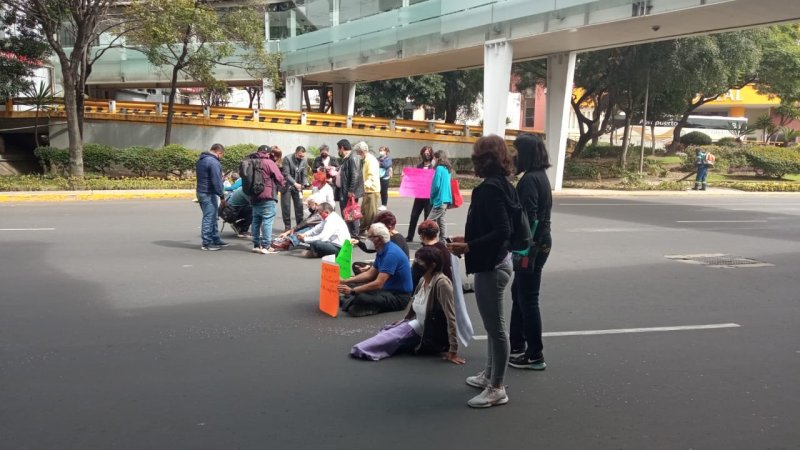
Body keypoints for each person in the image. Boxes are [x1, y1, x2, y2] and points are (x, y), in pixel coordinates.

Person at [447, 135, 517, 409]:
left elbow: (502, 231)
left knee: (496, 328)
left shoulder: (489, 189)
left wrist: (468, 246)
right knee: (492, 326)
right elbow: (496, 228)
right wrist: (467, 238)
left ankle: (497, 386)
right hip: (498, 261)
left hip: (492, 264)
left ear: (482, 159)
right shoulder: (504, 185)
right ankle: (490, 374)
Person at [350, 246, 464, 364]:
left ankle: (363, 350)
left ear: (432, 265)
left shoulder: (442, 284)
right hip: (416, 324)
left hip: (427, 332)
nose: (416, 264)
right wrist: (404, 320)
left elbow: (451, 317)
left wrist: (453, 350)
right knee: (386, 331)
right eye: (415, 260)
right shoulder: (423, 279)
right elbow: (415, 303)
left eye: (420, 262)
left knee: (369, 346)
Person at [508, 134, 553, 371]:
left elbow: (528, 219)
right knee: (520, 292)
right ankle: (517, 345)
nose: (513, 156)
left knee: (527, 298)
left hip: (530, 247)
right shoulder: (540, 177)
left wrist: (517, 246)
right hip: (539, 243)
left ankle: (534, 354)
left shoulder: (528, 181)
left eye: (515, 151)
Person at [338, 223, 413, 317]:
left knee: (360, 296)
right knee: (353, 286)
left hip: (399, 296)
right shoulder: (382, 249)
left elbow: (378, 283)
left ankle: (354, 302)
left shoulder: (391, 254)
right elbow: (370, 274)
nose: (367, 239)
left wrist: (353, 291)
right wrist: (347, 280)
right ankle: (353, 302)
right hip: (386, 289)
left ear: (379, 239)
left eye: (369, 236)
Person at [248, 145, 285, 254]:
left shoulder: (251, 161)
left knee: (256, 220)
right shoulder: (269, 162)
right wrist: (282, 185)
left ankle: (256, 244)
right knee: (267, 221)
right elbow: (279, 178)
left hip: (254, 196)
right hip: (267, 195)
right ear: (268, 153)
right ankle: (266, 246)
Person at [351, 210, 409, 275]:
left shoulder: (396, 241)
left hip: (393, 272)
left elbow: (388, 263)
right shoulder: (384, 238)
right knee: (356, 266)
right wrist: (358, 242)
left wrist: (370, 267)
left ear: (388, 227)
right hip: (383, 266)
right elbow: (370, 249)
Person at [195, 143, 227, 251]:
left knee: (213, 216)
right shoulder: (213, 162)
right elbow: (216, 181)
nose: (221, 158)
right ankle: (207, 243)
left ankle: (215, 239)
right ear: (219, 153)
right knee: (209, 217)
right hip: (208, 192)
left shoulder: (201, 159)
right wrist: (222, 196)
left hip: (201, 191)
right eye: (222, 155)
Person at [411, 220, 453, 288]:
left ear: (422, 235)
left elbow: (415, 276)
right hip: (447, 285)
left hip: (431, 289)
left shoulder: (422, 253)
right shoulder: (444, 248)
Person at [334, 139, 363, 237]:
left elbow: (355, 175)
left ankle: (354, 235)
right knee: (347, 214)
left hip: (349, 192)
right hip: (344, 190)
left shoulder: (353, 157)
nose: (338, 151)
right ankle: (350, 234)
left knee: (351, 214)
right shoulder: (347, 158)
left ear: (342, 148)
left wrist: (351, 190)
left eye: (338, 149)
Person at [405, 145, 434, 242]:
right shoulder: (419, 166)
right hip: (419, 195)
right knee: (414, 216)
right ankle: (410, 236)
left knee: (427, 218)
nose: (427, 155)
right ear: (422, 154)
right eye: (425, 153)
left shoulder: (434, 167)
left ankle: (425, 237)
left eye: (428, 153)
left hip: (429, 197)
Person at [426, 149, 453, 242]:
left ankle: (429, 240)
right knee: (441, 221)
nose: (433, 160)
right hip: (446, 199)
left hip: (439, 200)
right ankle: (443, 241)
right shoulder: (447, 170)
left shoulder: (439, 169)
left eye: (434, 158)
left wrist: (431, 195)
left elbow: (436, 185)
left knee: (428, 222)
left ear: (437, 158)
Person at [354, 141, 380, 235]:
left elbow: (371, 177)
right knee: (364, 212)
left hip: (371, 190)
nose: (357, 154)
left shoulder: (370, 160)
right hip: (367, 190)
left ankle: (372, 232)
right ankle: (361, 231)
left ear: (362, 151)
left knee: (371, 214)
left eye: (358, 152)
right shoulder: (366, 160)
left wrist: (362, 187)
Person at [281, 146, 309, 231]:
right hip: (287, 185)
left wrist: (304, 184)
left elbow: (304, 174)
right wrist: (294, 183)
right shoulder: (287, 159)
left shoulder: (304, 160)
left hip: (298, 187)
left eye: (303, 156)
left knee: (299, 207)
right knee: (286, 207)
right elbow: (286, 174)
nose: (301, 158)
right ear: (295, 153)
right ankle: (287, 227)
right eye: (300, 156)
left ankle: (299, 227)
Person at [378, 146, 392, 211]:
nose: (381, 152)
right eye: (380, 150)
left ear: (386, 151)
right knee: (381, 191)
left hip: (385, 177)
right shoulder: (379, 158)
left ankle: (384, 205)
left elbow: (387, 165)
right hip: (379, 176)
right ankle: (382, 205)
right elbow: (375, 164)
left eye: (382, 150)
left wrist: (380, 163)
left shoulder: (388, 159)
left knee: (384, 191)